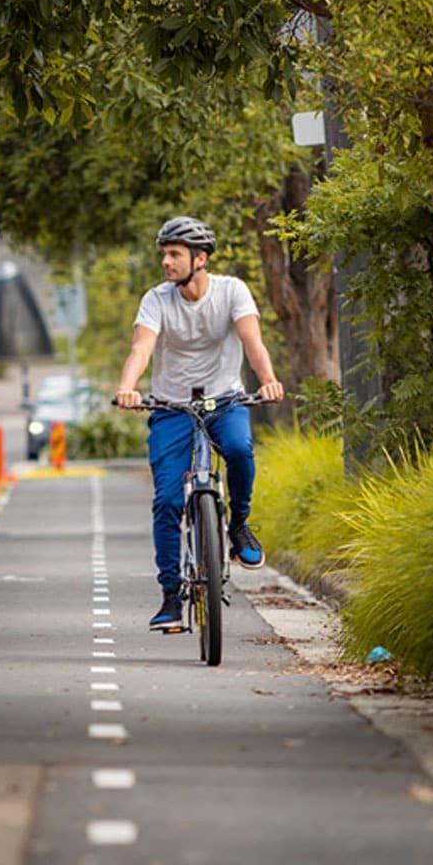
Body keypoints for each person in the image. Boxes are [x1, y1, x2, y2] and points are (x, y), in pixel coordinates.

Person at [114, 216, 285, 631]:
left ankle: (239, 527)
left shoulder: (232, 292)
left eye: (175, 255)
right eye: (164, 255)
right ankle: (171, 597)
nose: (166, 263)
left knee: (241, 451)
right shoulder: (156, 300)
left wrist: (268, 382)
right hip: (172, 408)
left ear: (200, 258)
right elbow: (142, 347)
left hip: (224, 400)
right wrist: (127, 387)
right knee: (168, 500)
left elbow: (252, 342)